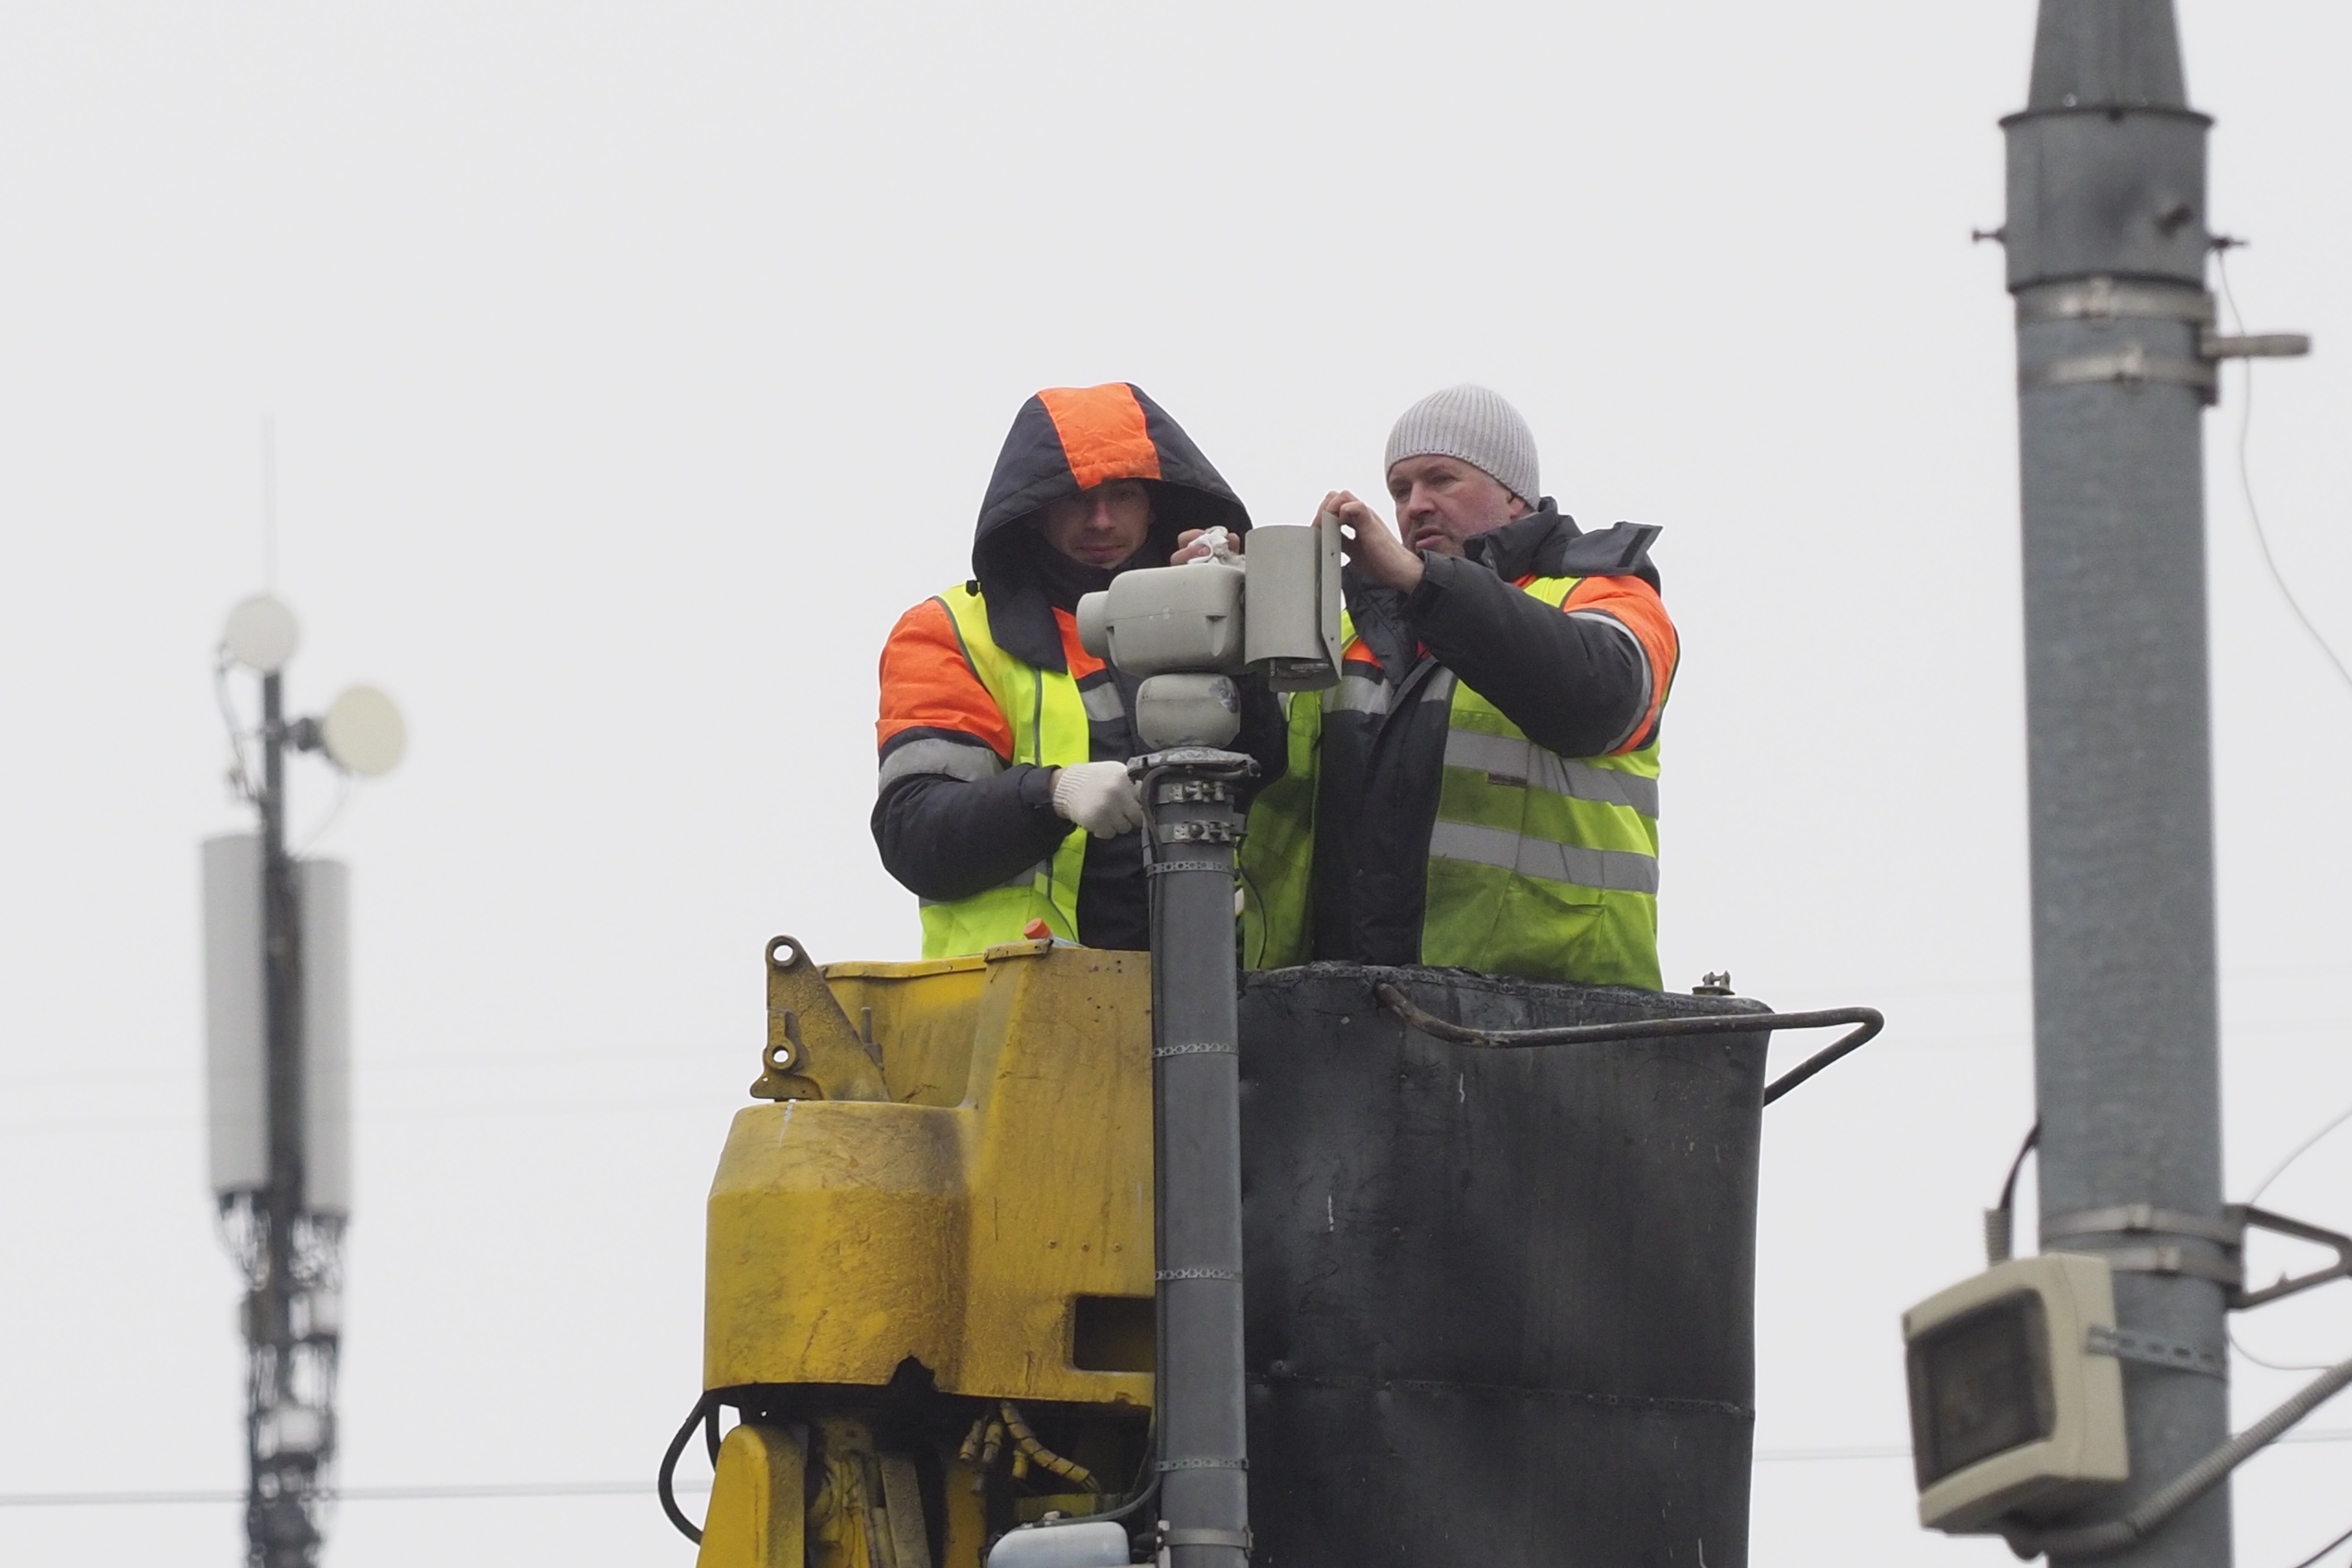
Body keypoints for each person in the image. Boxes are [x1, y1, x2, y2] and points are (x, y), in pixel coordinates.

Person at [1236, 384, 1678, 988]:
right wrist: (1227, 633)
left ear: (1515, 495)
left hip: (1559, 1023)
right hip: (1337, 1021)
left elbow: (1595, 701)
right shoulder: (1342, 637)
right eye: (1399, 489)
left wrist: (1424, 585)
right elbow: (1255, 777)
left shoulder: (1605, 594)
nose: (1414, 506)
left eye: (1441, 480)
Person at [874, 382, 1285, 958]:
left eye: (1121, 495)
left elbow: (1274, 785)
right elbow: (914, 834)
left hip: (1215, 999)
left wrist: (1235, 636)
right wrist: (1050, 794)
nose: (1100, 521)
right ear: (1034, 510)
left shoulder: (1216, 619)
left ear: (1155, 504)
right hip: (1027, 1007)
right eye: (1076, 498)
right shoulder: (952, 632)